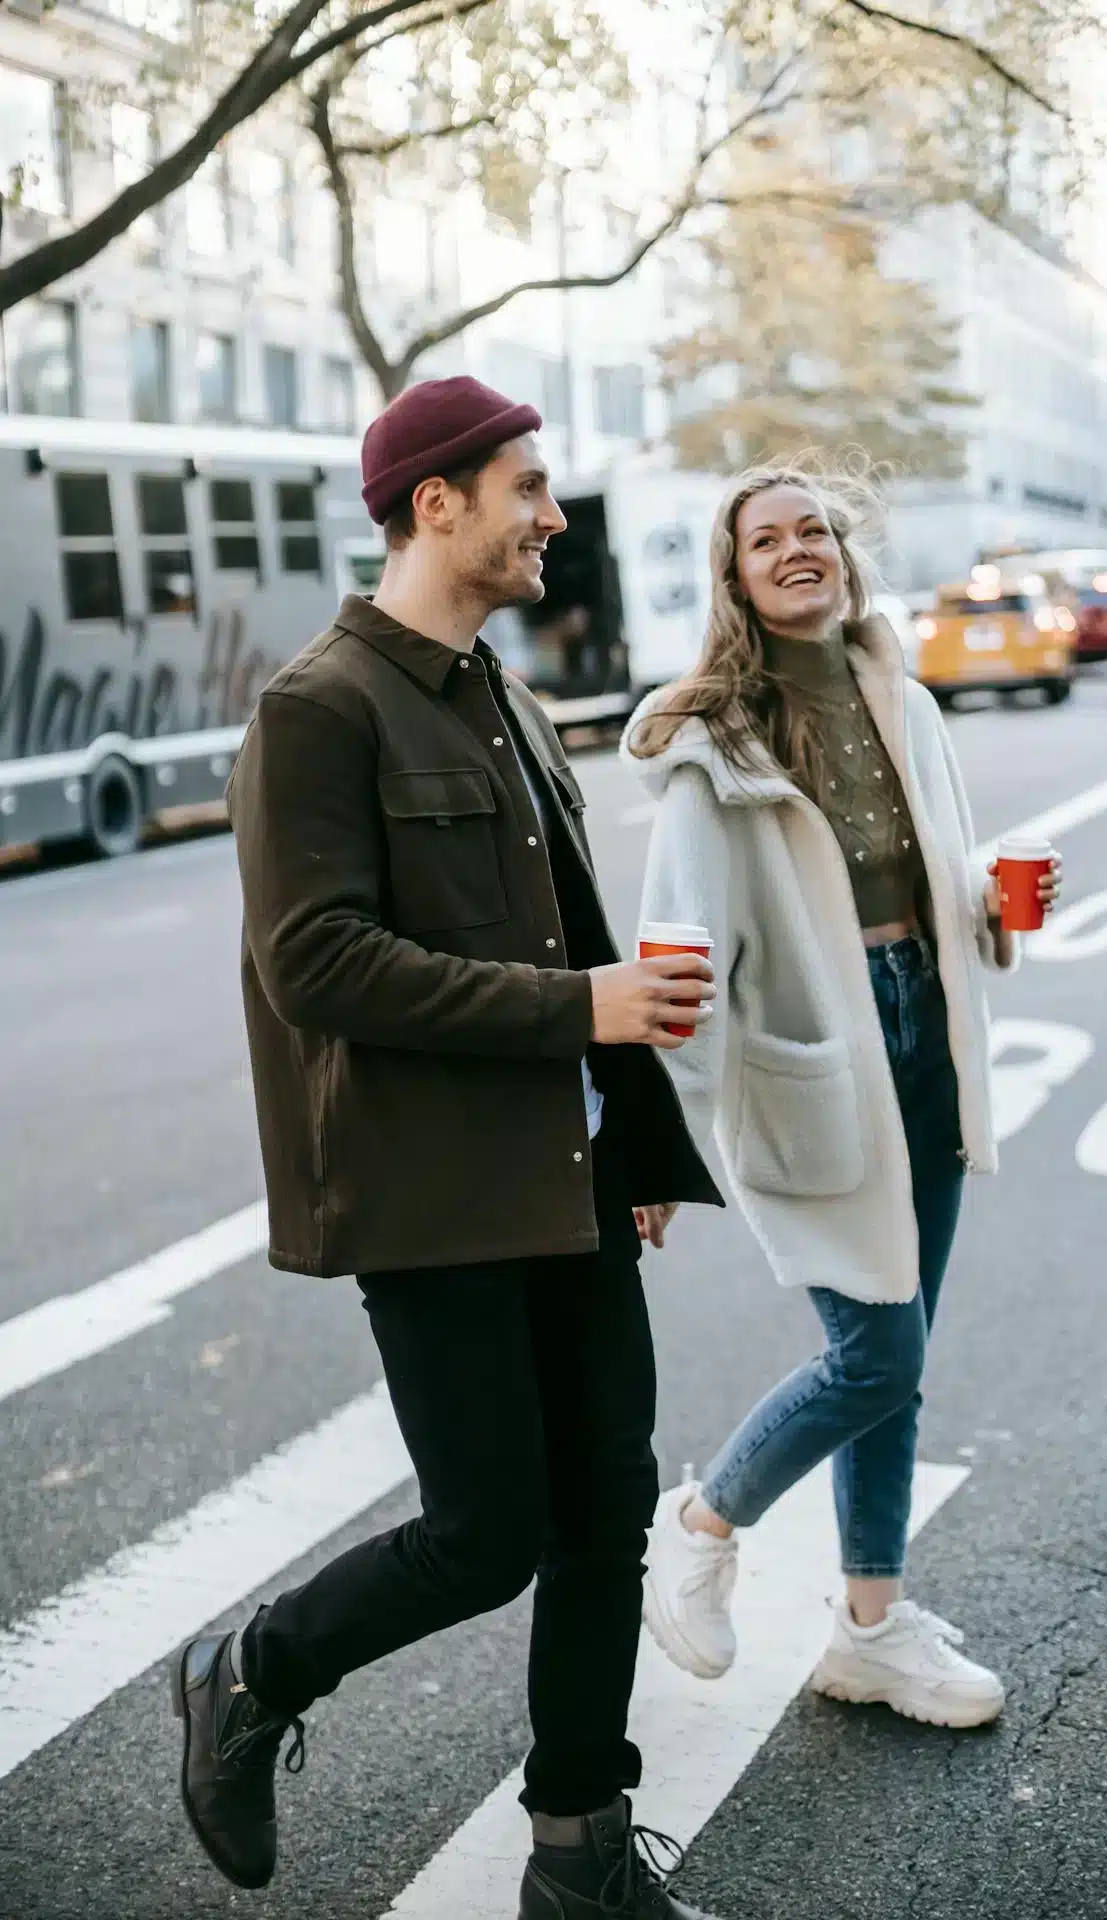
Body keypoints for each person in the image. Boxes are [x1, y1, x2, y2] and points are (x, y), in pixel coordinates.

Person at [171, 376, 726, 1920]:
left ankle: (577, 1852)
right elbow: (318, 965)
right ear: (439, 503)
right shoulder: (316, 709)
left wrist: (633, 1147)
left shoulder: (502, 692)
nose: (553, 516)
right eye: (530, 487)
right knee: (491, 1534)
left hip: (568, 1176)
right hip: (431, 1194)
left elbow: (574, 934)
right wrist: (584, 1011)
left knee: (605, 1510)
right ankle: (248, 1668)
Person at [623, 462, 1061, 1729]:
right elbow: (678, 951)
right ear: (736, 579)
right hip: (815, 1058)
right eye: (768, 539)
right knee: (875, 1349)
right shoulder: (714, 746)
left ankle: (868, 1628)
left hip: (924, 1033)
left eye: (814, 528)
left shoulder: (904, 702)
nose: (798, 548)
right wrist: (661, 1146)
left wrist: (988, 900)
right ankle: (700, 1528)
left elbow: (927, 864)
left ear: (844, 554)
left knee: (899, 1348)